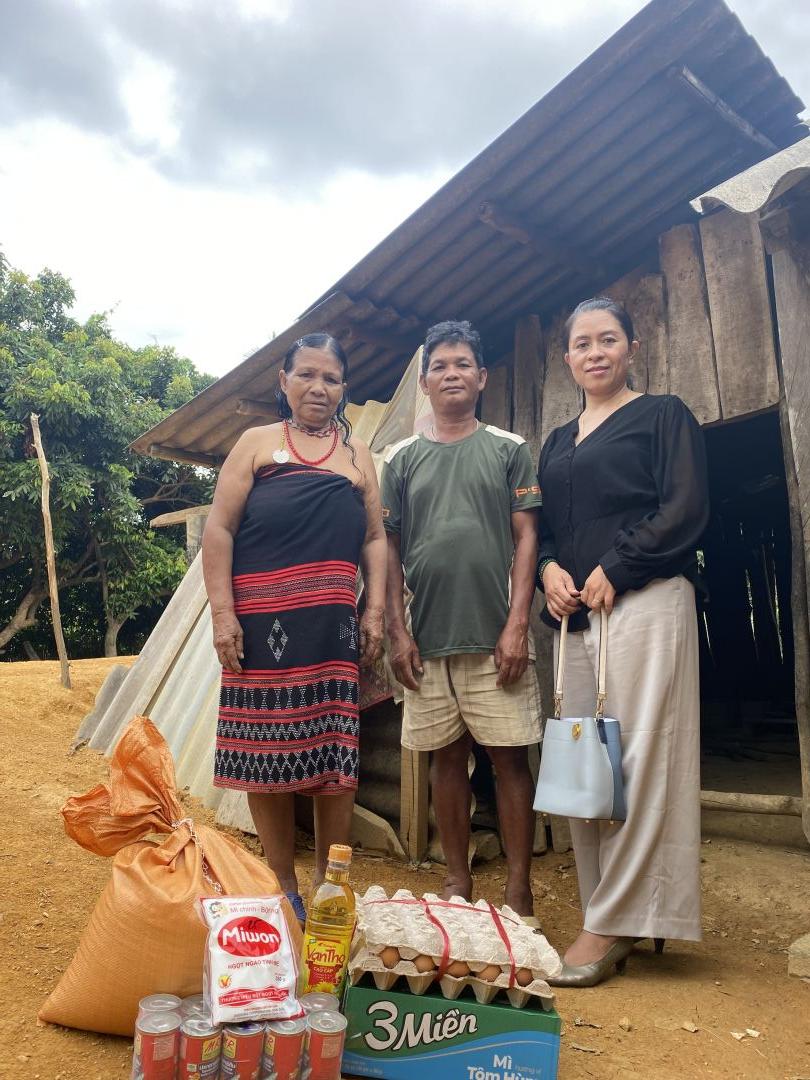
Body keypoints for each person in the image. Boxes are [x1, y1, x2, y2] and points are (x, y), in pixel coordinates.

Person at [536, 296, 709, 987]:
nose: (595, 352)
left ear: (632, 347)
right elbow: (547, 530)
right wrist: (549, 569)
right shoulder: (557, 441)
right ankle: (607, 909)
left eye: (608, 339)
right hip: (577, 617)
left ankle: (610, 925)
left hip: (645, 602)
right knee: (586, 767)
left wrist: (619, 564)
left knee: (640, 760)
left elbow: (685, 508)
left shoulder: (663, 415)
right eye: (582, 343)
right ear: (568, 358)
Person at [202, 332, 386, 923]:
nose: (318, 387)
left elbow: (375, 538)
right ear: (283, 382)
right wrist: (223, 614)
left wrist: (375, 610)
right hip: (259, 631)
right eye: (306, 374)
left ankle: (331, 885)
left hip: (332, 631)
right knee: (265, 751)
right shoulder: (255, 444)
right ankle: (282, 884)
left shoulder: (357, 456)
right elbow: (219, 529)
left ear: (344, 388)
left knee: (336, 755)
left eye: (331, 378)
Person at [382, 320, 542, 919]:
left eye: (462, 364)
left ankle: (519, 892)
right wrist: (397, 632)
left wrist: (517, 625)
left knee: (509, 759)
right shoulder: (402, 459)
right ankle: (457, 880)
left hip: (496, 634)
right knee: (445, 759)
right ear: (425, 383)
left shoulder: (508, 448)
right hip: (427, 640)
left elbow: (527, 538)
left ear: (482, 377)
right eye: (440, 366)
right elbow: (389, 548)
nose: (451, 374)